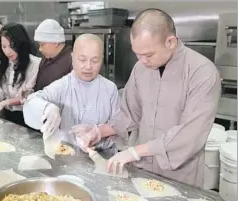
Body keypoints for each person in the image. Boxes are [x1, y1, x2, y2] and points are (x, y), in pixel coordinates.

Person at [75, 9, 221, 187]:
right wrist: (99, 132)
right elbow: (128, 114)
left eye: (148, 55)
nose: (142, 61)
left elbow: (189, 134)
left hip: (180, 176)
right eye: (137, 54)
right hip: (141, 170)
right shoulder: (140, 69)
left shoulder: (202, 73)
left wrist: (136, 151)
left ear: (170, 42)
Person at [22, 34, 121, 156]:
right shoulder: (62, 86)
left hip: (105, 156)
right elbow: (31, 102)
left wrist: (97, 131)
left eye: (95, 61)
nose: (88, 66)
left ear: (102, 59)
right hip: (68, 156)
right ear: (73, 58)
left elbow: (119, 123)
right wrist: (47, 108)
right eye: (82, 60)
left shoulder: (110, 89)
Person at [33, 19, 73, 91]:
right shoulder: (46, 58)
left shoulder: (72, 60)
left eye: (42, 44)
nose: (40, 49)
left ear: (55, 42)